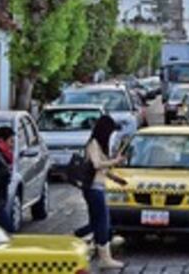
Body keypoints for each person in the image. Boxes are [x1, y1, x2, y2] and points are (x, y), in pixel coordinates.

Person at [75, 115, 125, 269]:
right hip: (93, 189)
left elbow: (102, 168)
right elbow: (97, 164)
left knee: (97, 222)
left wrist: (116, 178)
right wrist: (115, 161)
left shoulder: (99, 145)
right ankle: (105, 258)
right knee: (102, 222)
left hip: (98, 188)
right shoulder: (93, 144)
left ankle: (75, 239)